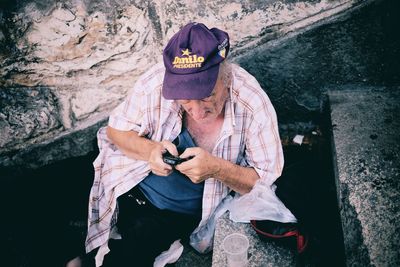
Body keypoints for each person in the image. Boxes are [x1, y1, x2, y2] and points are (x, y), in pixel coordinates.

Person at [76, 21, 283, 267]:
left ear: (225, 76)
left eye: (207, 96)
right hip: (128, 176)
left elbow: (264, 181)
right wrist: (150, 150)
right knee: (48, 192)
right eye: (186, 100)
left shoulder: (251, 102)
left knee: (128, 254)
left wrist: (217, 169)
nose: (196, 112)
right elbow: (116, 131)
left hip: (169, 212)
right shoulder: (156, 82)